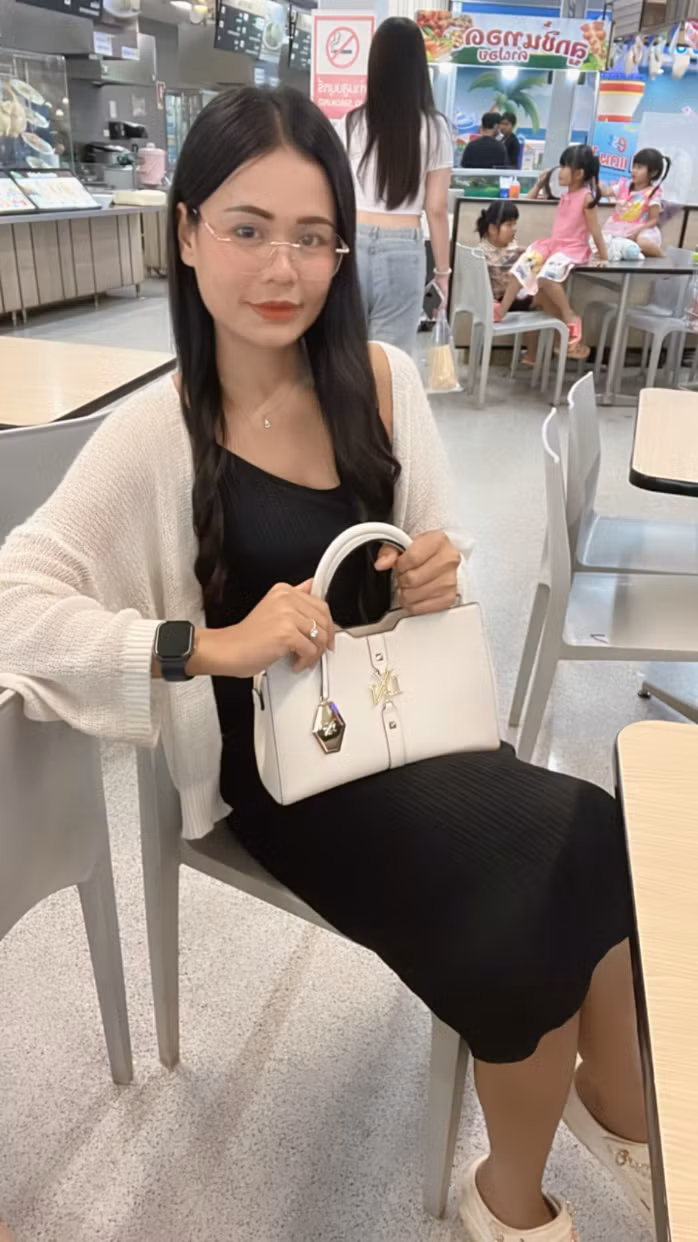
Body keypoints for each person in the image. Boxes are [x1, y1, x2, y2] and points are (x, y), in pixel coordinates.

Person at [0, 87, 651, 1242]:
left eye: (312, 237)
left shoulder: (381, 382)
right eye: (248, 228)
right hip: (286, 771)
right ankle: (511, 1199)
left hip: (409, 717)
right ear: (187, 232)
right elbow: (15, 599)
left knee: (594, 829)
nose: (282, 268)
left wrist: (434, 571)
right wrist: (204, 645)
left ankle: (617, 1105)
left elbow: (441, 548)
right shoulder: (160, 431)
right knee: (524, 890)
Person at [336, 17, 453, 352]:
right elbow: (436, 209)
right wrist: (443, 272)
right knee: (391, 360)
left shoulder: (351, 123)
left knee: (347, 352)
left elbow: (337, 193)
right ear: (419, 66)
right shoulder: (435, 128)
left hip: (353, 242)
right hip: (404, 247)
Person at [495, 144, 608, 360]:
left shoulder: (586, 198)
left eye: (565, 166)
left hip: (572, 249)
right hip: (554, 246)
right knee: (522, 266)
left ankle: (569, 315)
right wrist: (540, 183)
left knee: (547, 278)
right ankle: (502, 310)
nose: (560, 171)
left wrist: (603, 256)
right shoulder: (566, 196)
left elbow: (595, 230)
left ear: (579, 173)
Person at [475, 201, 539, 366]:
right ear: (492, 229)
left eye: (515, 224)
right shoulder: (485, 252)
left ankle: (535, 353)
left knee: (541, 296)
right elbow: (505, 264)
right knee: (541, 297)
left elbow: (514, 250)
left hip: (511, 297)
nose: (514, 229)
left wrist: (527, 251)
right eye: (509, 225)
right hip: (500, 301)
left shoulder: (505, 245)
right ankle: (538, 352)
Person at [601, 148, 670, 257]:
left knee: (643, 243)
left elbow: (653, 219)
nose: (634, 170)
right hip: (617, 227)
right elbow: (605, 192)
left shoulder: (653, 193)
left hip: (642, 229)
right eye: (633, 166)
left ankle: (662, 257)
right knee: (600, 241)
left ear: (653, 172)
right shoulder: (624, 186)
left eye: (639, 167)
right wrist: (593, 178)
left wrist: (637, 231)